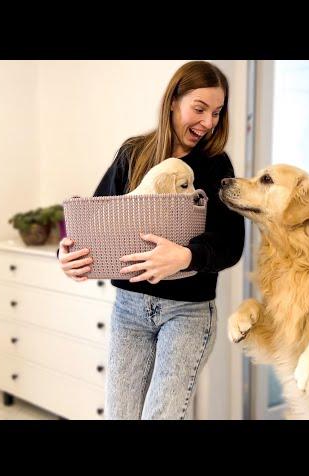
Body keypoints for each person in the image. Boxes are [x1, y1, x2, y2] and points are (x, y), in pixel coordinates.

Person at [57, 61, 244, 420]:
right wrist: (65, 252)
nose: (208, 122)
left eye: (217, 113)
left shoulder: (217, 165)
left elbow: (232, 244)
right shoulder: (133, 153)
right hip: (129, 309)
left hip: (187, 314)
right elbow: (91, 219)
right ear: (173, 101)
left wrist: (186, 257)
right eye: (199, 109)